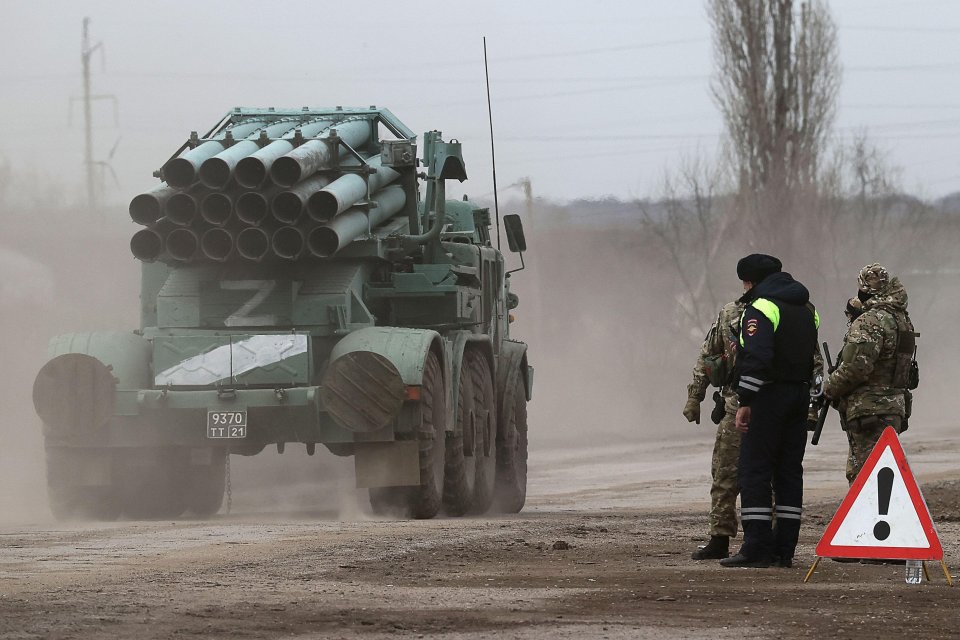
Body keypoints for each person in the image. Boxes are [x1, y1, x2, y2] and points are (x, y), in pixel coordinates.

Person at [720, 254, 819, 569]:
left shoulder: (761, 307)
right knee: (789, 472)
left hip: (769, 396)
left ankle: (756, 547)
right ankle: (784, 549)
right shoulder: (806, 308)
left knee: (755, 470)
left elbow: (758, 357)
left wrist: (745, 400)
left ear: (751, 282)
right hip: (799, 394)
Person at [824, 264, 917, 485]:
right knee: (885, 477)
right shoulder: (902, 320)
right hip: (894, 408)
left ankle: (868, 521)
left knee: (864, 480)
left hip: (869, 411)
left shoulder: (871, 321)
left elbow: (856, 367)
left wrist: (828, 389)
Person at [683, 300, 745, 560]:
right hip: (734, 404)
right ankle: (719, 537)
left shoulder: (783, 313)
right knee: (724, 474)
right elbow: (708, 356)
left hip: (766, 407)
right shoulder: (730, 314)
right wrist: (694, 397)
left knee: (767, 477)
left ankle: (764, 540)